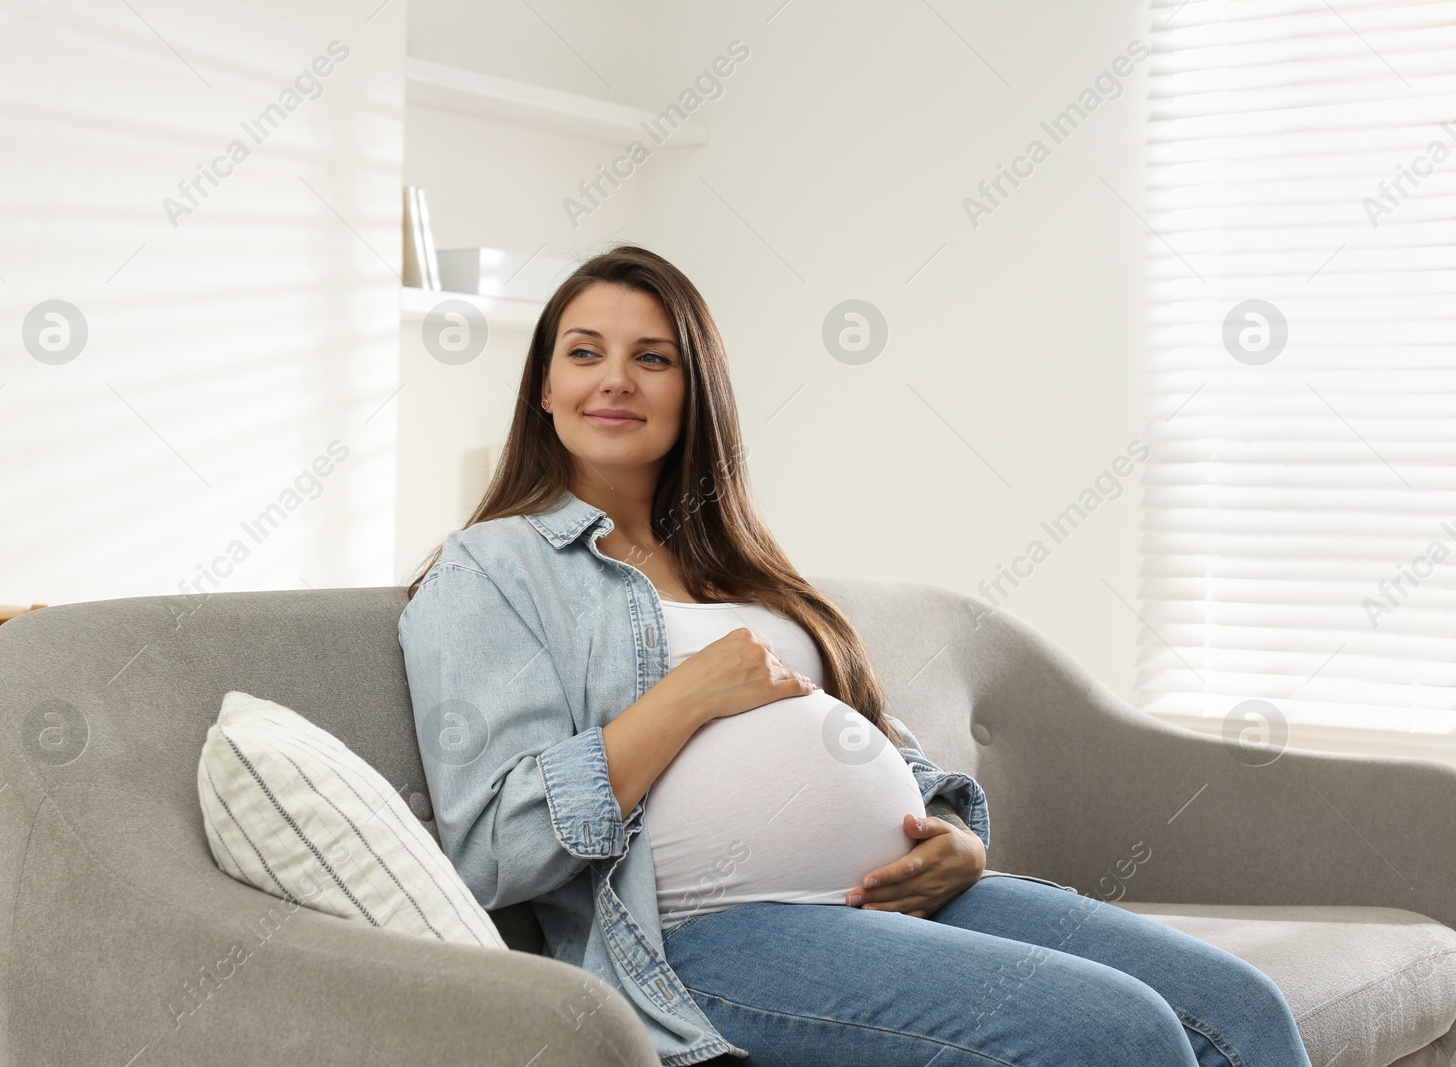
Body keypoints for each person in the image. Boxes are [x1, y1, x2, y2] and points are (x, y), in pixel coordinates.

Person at [396, 245, 1313, 1067]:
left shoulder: (740, 562)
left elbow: (872, 737)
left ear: (696, 389)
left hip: (896, 899)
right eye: (584, 352)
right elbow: (490, 846)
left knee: (1241, 1008)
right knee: (1117, 1034)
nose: (616, 380)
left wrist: (956, 833)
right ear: (545, 389)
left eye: (653, 357)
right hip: (705, 936)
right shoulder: (492, 568)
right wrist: (685, 698)